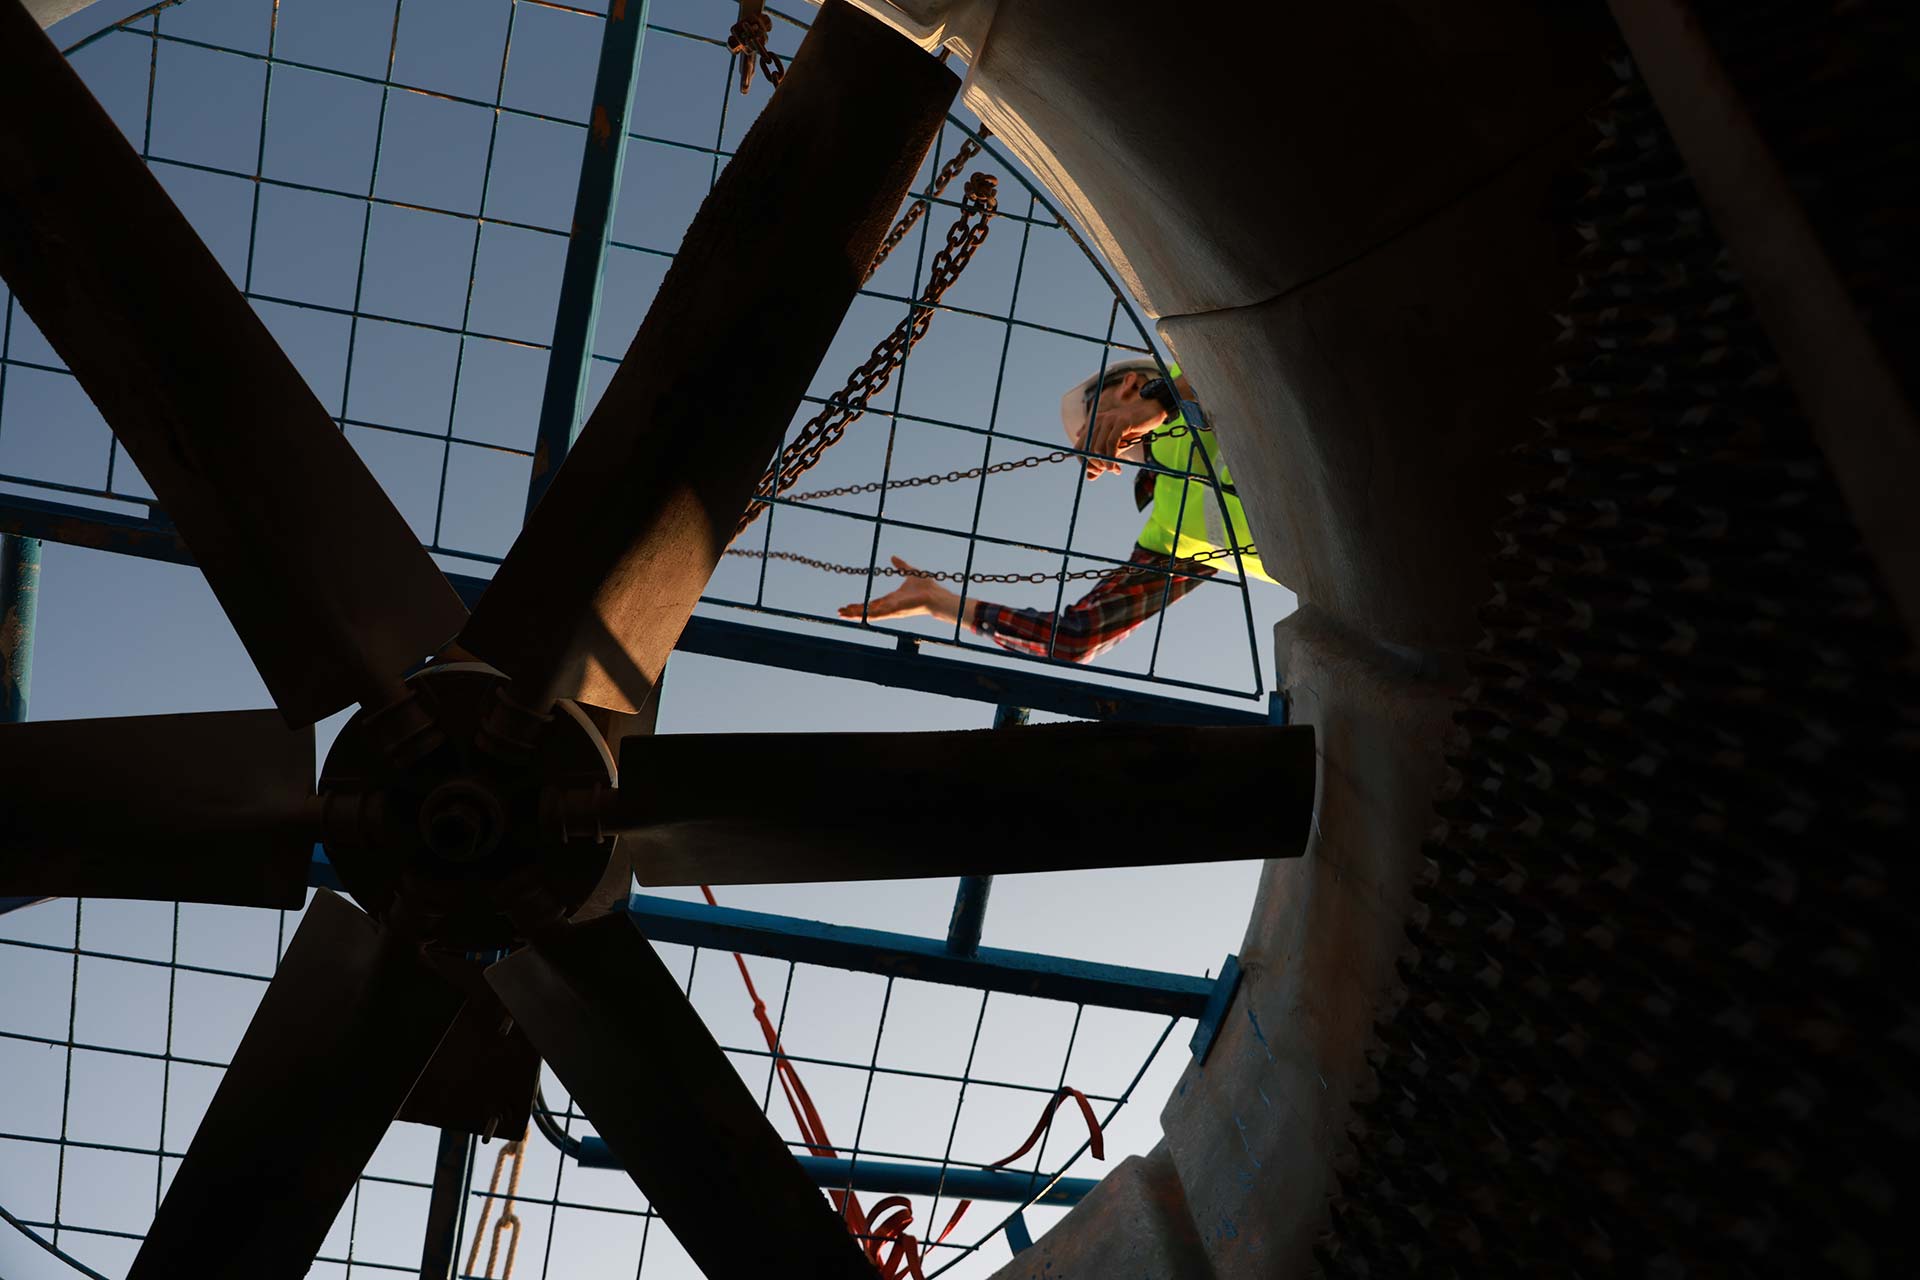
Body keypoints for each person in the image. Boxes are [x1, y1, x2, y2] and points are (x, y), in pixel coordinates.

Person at [839, 358, 1273, 664]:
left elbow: (1258, 343)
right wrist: (939, 603)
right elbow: (1075, 639)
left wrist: (1163, 397)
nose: (1086, 441)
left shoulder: (1189, 366)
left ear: (1128, 385)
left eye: (1090, 421)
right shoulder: (1168, 534)